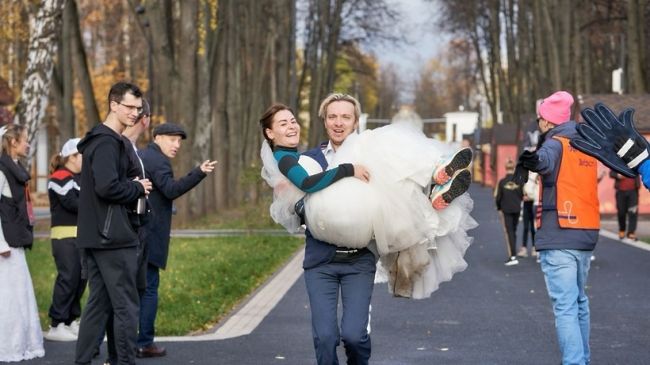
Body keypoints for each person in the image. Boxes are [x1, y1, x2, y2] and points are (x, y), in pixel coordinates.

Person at [260, 95, 474, 364]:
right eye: (332, 117)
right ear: (324, 121)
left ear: (355, 122)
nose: (338, 123)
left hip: (359, 259)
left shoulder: (370, 155)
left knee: (355, 336)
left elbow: (396, 190)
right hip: (321, 260)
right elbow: (295, 201)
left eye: (345, 117)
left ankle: (436, 181)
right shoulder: (306, 161)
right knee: (325, 338)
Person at [516, 90, 599, 365]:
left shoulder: (554, 143)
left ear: (547, 122)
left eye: (540, 118)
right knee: (579, 303)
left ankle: (575, 362)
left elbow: (545, 160)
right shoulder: (587, 144)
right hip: (586, 232)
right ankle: (583, 359)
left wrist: (533, 161)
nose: (538, 123)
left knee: (565, 307)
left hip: (560, 232)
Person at [74, 82, 152, 365]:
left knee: (99, 305)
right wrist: (137, 187)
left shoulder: (100, 140)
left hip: (97, 235)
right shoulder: (107, 142)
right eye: (129, 107)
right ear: (114, 105)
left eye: (138, 108)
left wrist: (129, 184)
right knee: (126, 307)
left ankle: (82, 361)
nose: (135, 113)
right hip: (112, 237)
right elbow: (107, 187)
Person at [136, 122, 216, 358]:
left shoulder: (141, 156)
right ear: (158, 137)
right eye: (172, 139)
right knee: (149, 289)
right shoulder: (158, 161)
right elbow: (171, 189)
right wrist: (198, 172)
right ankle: (144, 342)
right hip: (150, 235)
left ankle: (121, 341)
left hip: (135, 233)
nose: (177, 145)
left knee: (131, 289)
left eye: (179, 141)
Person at [0, 124, 44, 362]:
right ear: (13, 142)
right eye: (25, 140)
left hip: (15, 239)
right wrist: (0, 244)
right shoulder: (1, 170)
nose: (28, 144)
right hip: (5, 244)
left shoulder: (17, 169)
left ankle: (23, 343)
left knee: (20, 295)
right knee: (8, 296)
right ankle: (7, 346)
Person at [44, 137, 85, 342]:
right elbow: (71, 203)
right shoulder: (60, 176)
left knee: (81, 279)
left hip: (82, 236)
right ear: (72, 157)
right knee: (68, 278)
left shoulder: (82, 178)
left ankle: (70, 321)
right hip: (64, 236)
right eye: (83, 155)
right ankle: (56, 324)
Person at [494, 159, 523, 266]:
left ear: (506, 168)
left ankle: (513, 256)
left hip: (506, 209)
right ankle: (513, 252)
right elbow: (521, 195)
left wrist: (498, 207)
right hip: (516, 208)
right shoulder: (519, 181)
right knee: (513, 231)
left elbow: (498, 197)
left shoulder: (502, 182)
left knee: (509, 231)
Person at [609, 171, 641, 240]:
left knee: (633, 212)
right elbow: (611, 173)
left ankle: (631, 232)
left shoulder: (633, 162)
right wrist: (617, 175)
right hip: (621, 191)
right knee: (621, 212)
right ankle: (622, 230)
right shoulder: (618, 162)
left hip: (633, 191)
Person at [521, 170, 538, 258]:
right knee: (525, 227)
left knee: (533, 227)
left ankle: (534, 247)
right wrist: (522, 196)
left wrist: (530, 197)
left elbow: (537, 188)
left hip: (533, 203)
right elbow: (520, 187)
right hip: (526, 203)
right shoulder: (524, 173)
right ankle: (524, 248)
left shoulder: (536, 174)